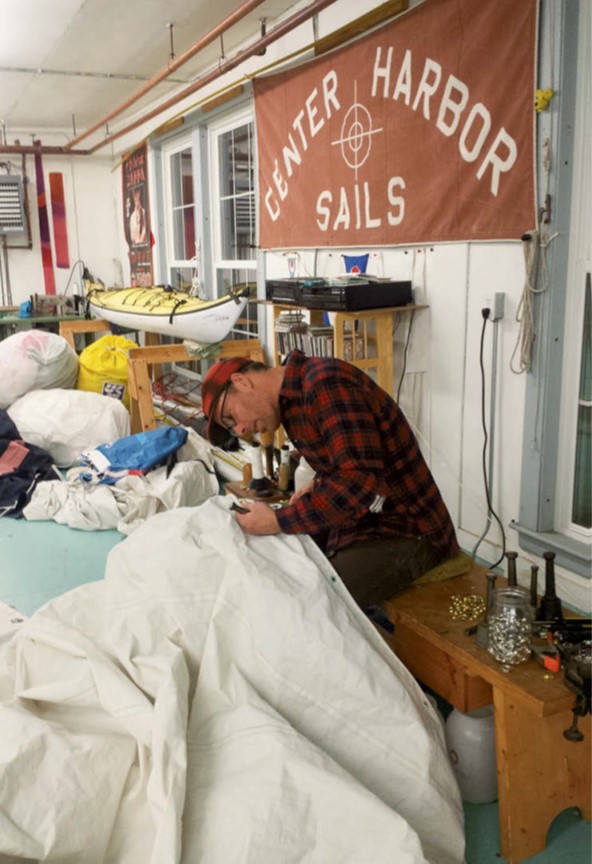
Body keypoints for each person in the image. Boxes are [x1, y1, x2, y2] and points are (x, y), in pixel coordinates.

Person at [201, 350, 459, 608]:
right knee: (275, 566)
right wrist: (319, 484)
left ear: (242, 382)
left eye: (230, 418)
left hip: (411, 531)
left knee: (311, 602)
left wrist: (279, 520)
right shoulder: (292, 402)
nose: (240, 430)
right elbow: (350, 461)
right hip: (364, 519)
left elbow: (358, 484)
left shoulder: (326, 385)